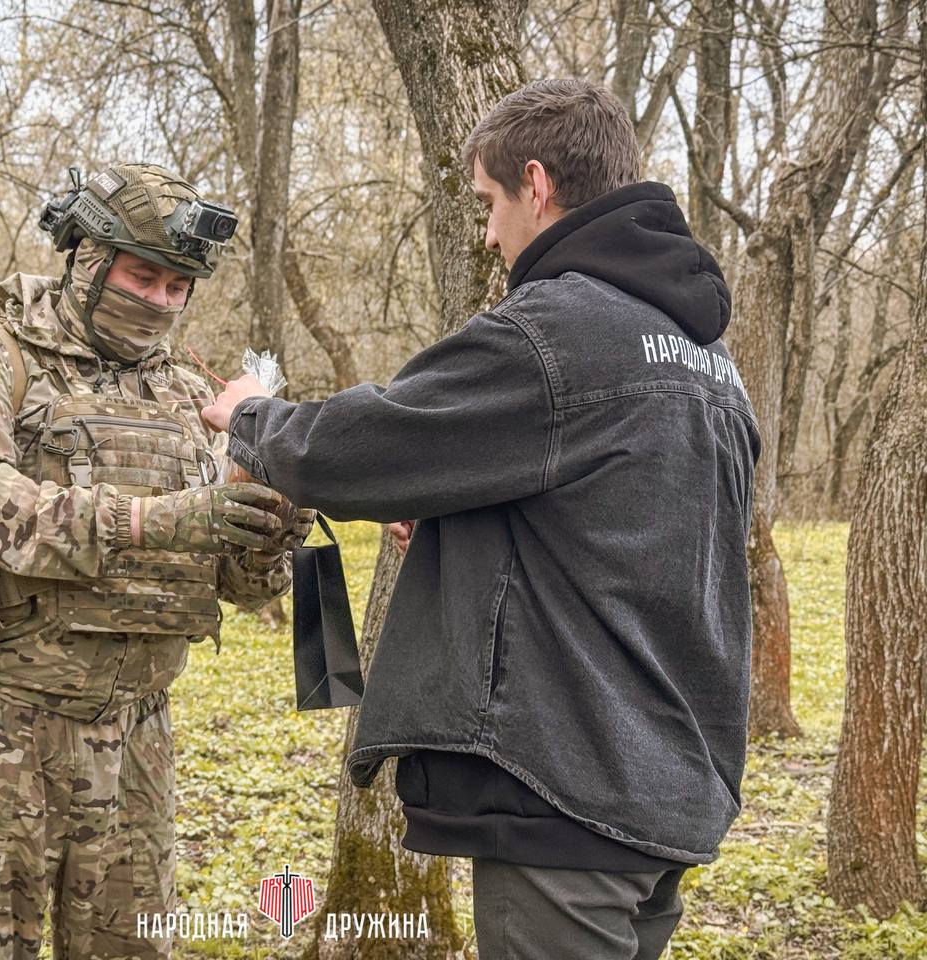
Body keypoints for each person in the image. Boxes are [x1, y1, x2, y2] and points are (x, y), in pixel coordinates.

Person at [203, 79, 759, 959]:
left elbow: (357, 446)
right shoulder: (703, 354)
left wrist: (250, 414)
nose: (491, 234)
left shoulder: (557, 331)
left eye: (490, 203)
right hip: (668, 781)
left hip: (569, 793)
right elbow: (636, 538)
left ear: (536, 184)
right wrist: (466, 539)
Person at [0, 161, 312, 959]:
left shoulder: (188, 393)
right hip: (3, 729)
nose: (161, 301)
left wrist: (268, 532)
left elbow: (231, 581)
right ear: (89, 262)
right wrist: (151, 521)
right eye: (145, 276)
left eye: (177, 287)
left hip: (137, 736)